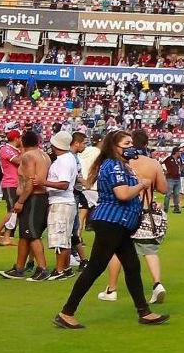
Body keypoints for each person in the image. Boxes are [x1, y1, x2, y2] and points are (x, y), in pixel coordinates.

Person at [52, 129, 168, 329]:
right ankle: (67, 312)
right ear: (115, 147)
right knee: (96, 267)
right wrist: (142, 185)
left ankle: (144, 312)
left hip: (119, 223)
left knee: (132, 266)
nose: (131, 147)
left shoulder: (119, 165)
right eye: (127, 144)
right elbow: (122, 194)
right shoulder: (115, 166)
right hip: (112, 222)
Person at [101, 129, 170, 305]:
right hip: (146, 212)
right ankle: (157, 283)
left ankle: (112, 288)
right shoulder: (152, 163)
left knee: (118, 251)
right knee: (150, 250)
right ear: (146, 144)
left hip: (124, 212)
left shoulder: (120, 164)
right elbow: (163, 189)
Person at [0, 129, 52, 280]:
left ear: (23, 141)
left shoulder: (28, 156)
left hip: (32, 198)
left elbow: (30, 182)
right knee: (25, 235)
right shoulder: (44, 155)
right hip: (40, 197)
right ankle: (19, 268)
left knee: (32, 234)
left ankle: (42, 268)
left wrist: (20, 201)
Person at [43, 129, 83, 279]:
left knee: (60, 238)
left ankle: (60, 270)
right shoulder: (68, 158)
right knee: (64, 236)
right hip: (65, 201)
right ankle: (64, 268)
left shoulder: (63, 160)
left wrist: (43, 182)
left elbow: (64, 184)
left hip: (61, 201)